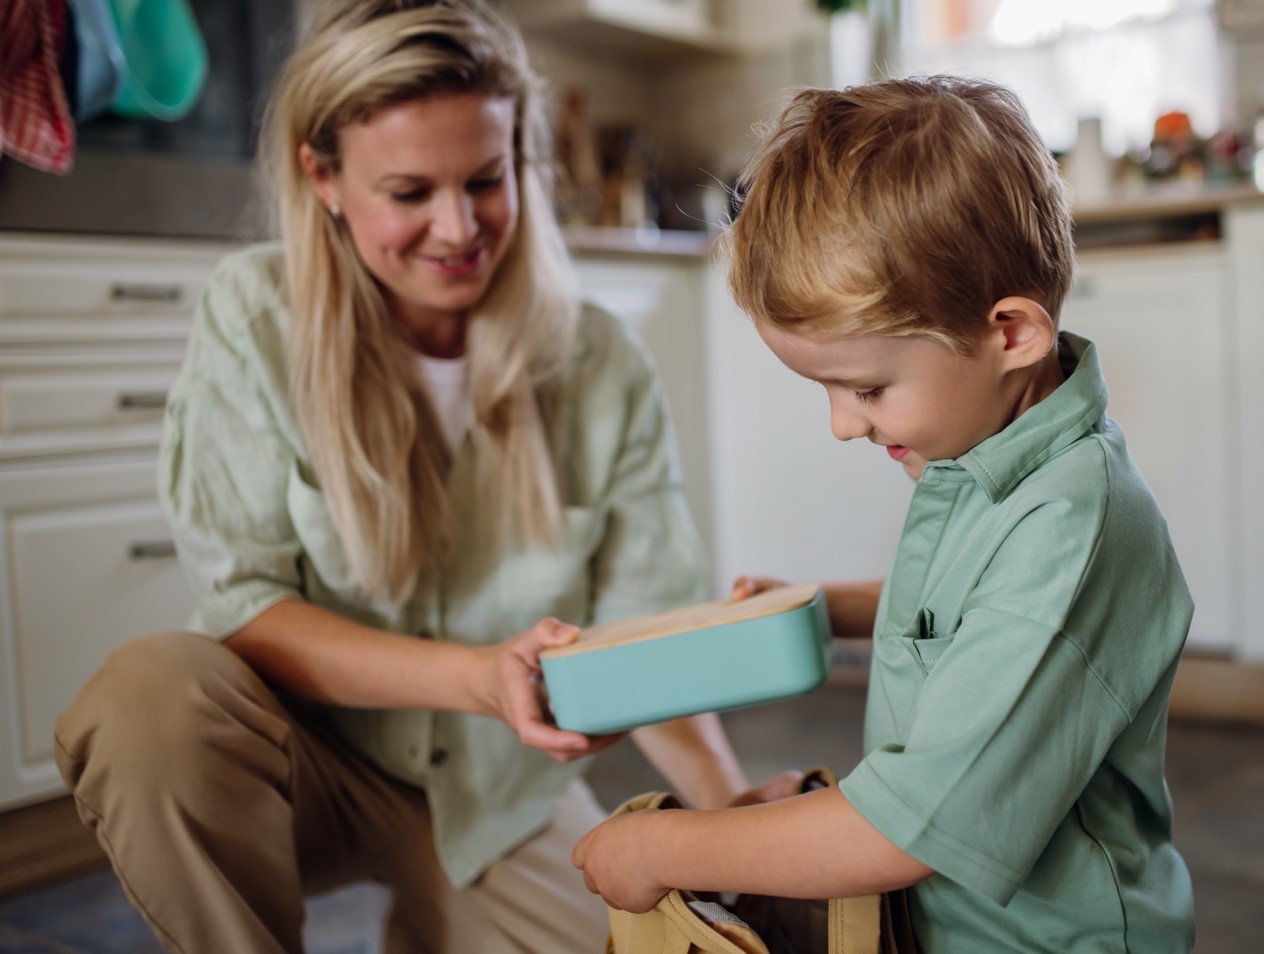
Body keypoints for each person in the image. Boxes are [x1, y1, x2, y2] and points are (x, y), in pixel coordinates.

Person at [51, 2, 787, 951]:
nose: (457, 228)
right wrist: (477, 677)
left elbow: (646, 634)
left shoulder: (600, 362)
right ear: (323, 176)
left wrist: (737, 824)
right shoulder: (253, 320)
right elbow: (247, 603)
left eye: (487, 179)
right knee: (148, 700)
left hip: (496, 792)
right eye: (408, 192)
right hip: (301, 767)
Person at [573, 75, 1197, 953]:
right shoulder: (995, 457)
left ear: (1012, 333)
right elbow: (984, 604)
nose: (842, 424)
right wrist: (841, 606)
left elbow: (897, 829)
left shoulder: (1072, 524)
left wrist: (662, 846)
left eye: (865, 388)